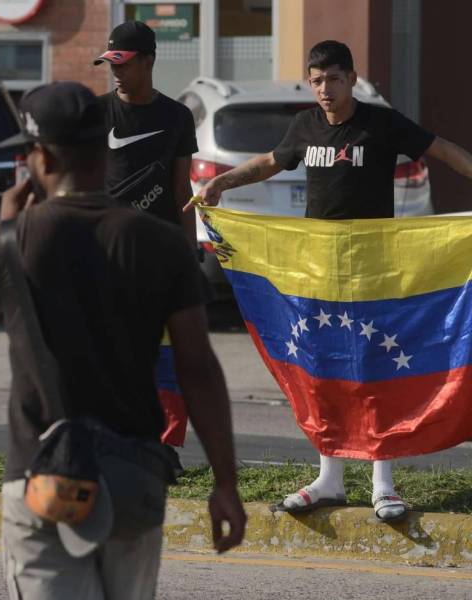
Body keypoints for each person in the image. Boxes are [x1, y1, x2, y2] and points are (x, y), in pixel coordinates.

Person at [0, 81, 245, 599]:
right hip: (134, 479)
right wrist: (225, 485)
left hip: (45, 481)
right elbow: (199, 368)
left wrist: (4, 230)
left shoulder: (11, 239)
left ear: (39, 157)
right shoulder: (159, 242)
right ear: (103, 153)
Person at [188, 40, 472, 522]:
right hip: (317, 271)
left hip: (373, 268)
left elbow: (442, 149)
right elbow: (271, 162)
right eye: (317, 79)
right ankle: (330, 480)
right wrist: (219, 183)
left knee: (375, 367)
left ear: (351, 78)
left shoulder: (380, 123)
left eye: (333, 79)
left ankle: (384, 485)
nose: (324, 88)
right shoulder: (305, 125)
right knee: (323, 366)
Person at [94, 20, 203, 466]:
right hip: (106, 253)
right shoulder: (97, 113)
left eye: (124, 63)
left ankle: (165, 448)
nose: (115, 72)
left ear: (149, 61)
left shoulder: (175, 117)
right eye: (110, 63)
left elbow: (182, 190)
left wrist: (191, 253)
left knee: (164, 358)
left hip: (159, 256)